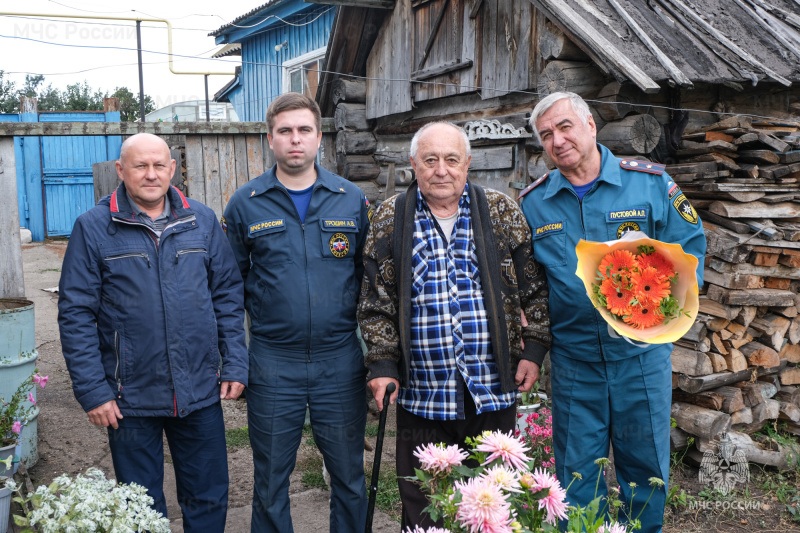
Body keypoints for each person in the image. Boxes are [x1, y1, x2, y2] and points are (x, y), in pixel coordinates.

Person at [519, 92, 706, 533]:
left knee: (645, 469)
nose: (557, 140)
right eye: (546, 135)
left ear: (590, 125)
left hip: (639, 357)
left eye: (564, 127)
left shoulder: (649, 184)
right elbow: (531, 287)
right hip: (574, 362)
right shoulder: (535, 203)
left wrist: (662, 311)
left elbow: (692, 250)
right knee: (577, 473)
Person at [358, 121, 552, 529]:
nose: (441, 170)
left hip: (491, 389)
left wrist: (533, 350)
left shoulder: (501, 211)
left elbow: (534, 288)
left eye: (451, 159)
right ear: (414, 164)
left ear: (467, 164)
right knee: (426, 503)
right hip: (423, 393)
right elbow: (376, 301)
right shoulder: (390, 217)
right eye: (430, 160)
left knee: (492, 502)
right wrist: (381, 366)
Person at [58, 133, 248, 532]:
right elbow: (75, 314)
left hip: (199, 389)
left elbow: (228, 295)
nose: (150, 174)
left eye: (158, 165)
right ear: (120, 170)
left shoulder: (202, 220)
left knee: (209, 495)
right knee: (139, 504)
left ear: (173, 169)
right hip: (129, 397)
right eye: (140, 166)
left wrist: (234, 364)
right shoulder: (94, 228)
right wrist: (94, 391)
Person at [222, 92, 371, 533]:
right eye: (285, 131)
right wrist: (235, 357)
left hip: (340, 359)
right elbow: (228, 289)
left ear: (319, 137)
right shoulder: (246, 203)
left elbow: (373, 281)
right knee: (270, 480)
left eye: (304, 130)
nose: (295, 140)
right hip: (273, 362)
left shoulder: (351, 199)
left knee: (348, 476)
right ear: (270, 138)